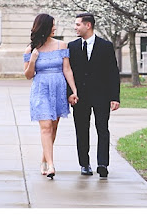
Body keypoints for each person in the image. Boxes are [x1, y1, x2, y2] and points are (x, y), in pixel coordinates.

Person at [24, 13, 78, 179]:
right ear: (44, 27)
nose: (55, 28)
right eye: (52, 25)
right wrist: (32, 60)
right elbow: (27, 75)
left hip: (58, 89)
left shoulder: (62, 45)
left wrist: (74, 90)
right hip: (41, 89)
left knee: (53, 127)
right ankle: (52, 165)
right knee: (46, 126)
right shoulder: (31, 49)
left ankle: (44, 159)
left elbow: (67, 69)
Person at [67, 13, 120, 178]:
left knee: (102, 129)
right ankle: (84, 164)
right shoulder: (72, 46)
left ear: (87, 25)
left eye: (77, 25)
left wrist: (115, 97)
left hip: (101, 96)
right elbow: (68, 72)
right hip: (80, 97)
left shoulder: (105, 46)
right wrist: (70, 93)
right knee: (81, 131)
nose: (75, 28)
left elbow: (113, 72)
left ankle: (103, 164)